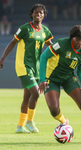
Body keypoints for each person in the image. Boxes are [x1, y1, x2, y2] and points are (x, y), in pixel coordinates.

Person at [38, 25, 81, 143]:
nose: (80, 42)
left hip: (68, 78)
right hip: (51, 78)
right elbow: (43, 57)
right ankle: (63, 121)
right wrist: (43, 79)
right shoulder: (61, 44)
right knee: (53, 109)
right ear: (72, 37)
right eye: (78, 39)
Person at [0, 4, 53, 133]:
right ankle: (29, 122)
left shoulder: (45, 31)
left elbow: (50, 47)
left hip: (37, 67)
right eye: (36, 12)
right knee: (36, 93)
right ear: (32, 14)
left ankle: (20, 126)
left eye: (41, 12)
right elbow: (12, 42)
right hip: (24, 66)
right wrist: (2, 59)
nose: (38, 14)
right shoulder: (24, 28)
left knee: (27, 97)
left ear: (44, 15)